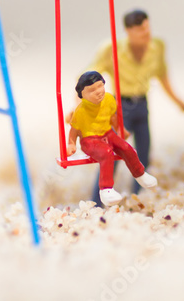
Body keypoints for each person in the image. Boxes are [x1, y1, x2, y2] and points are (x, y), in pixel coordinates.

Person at [83, 9, 184, 204]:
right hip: (121, 106)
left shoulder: (157, 46)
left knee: (144, 153)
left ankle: (137, 197)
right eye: (140, 30)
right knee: (112, 154)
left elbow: (163, 76)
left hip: (142, 105)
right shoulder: (111, 49)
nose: (146, 34)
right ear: (129, 31)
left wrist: (177, 101)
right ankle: (96, 201)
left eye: (147, 28)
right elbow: (89, 77)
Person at [67, 71, 157, 207]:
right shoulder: (81, 110)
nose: (98, 92)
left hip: (108, 133)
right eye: (92, 90)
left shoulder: (109, 99)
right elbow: (74, 130)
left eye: (100, 86)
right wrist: (71, 144)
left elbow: (113, 117)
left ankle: (140, 174)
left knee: (127, 147)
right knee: (106, 153)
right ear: (82, 95)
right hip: (90, 140)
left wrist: (120, 129)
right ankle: (106, 189)